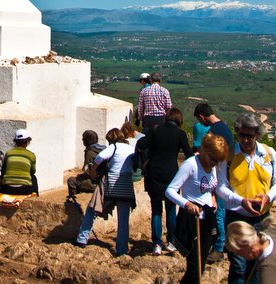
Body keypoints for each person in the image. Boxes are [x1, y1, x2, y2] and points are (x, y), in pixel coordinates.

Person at [222, 112, 276, 284]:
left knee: (256, 264)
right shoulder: (229, 154)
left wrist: (268, 197)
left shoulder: (268, 154)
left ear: (257, 135)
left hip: (261, 216)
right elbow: (220, 186)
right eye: (241, 135)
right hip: (236, 215)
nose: (245, 140)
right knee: (238, 265)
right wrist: (241, 201)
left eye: (249, 136)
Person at [164, 133, 231, 284]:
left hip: (207, 218)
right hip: (191, 219)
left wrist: (213, 198)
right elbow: (170, 190)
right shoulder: (191, 164)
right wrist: (186, 203)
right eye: (212, 159)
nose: (214, 163)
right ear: (204, 151)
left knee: (200, 267)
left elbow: (215, 188)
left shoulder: (216, 167)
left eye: (217, 161)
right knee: (194, 268)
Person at [136, 107, 191, 255]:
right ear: (179, 120)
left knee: (156, 210)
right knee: (171, 209)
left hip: (154, 173)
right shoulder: (180, 134)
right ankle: (172, 241)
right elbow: (189, 154)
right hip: (172, 175)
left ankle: (157, 244)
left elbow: (142, 145)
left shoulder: (156, 130)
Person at [75, 127, 137, 256]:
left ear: (112, 139)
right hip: (126, 186)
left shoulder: (114, 147)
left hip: (111, 185)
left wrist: (93, 172)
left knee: (92, 209)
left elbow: (99, 158)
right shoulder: (131, 148)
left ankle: (82, 238)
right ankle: (122, 249)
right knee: (123, 220)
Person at [193, 102, 237, 260]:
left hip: (219, 176)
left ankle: (219, 247)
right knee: (222, 211)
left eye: (200, 120)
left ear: (202, 117)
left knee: (218, 212)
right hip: (227, 174)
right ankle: (222, 242)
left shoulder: (215, 131)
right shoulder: (224, 126)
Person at [66, 130, 105, 203]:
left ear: (86, 141)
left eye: (83, 139)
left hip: (95, 183)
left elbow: (88, 172)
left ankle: (74, 201)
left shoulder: (90, 152)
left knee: (71, 180)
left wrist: (80, 176)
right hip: (104, 180)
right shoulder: (102, 149)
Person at [0, 129, 38, 195]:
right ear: (27, 141)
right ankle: (36, 198)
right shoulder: (31, 155)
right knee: (33, 177)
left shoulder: (8, 153)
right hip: (24, 189)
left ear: (16, 142)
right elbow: (33, 171)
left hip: (7, 188)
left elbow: (3, 170)